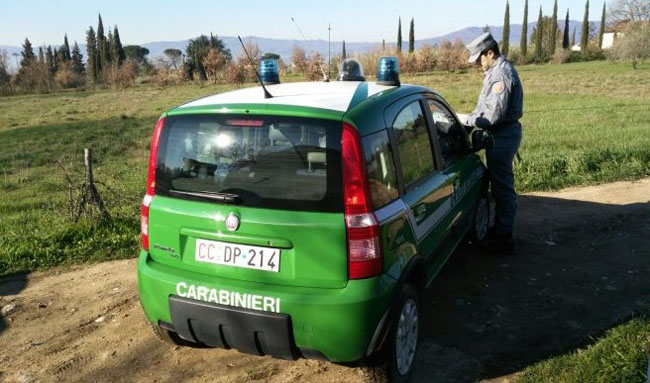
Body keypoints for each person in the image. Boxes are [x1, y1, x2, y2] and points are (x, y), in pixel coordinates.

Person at [462, 32, 523, 254]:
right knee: (499, 184)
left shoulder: (501, 75)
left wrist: (464, 120)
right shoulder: (494, 71)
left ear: (490, 53)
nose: (478, 63)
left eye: (479, 59)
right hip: (500, 134)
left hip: (502, 136)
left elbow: (491, 116)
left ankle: (503, 237)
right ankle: (500, 231)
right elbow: (484, 108)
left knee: (502, 188)